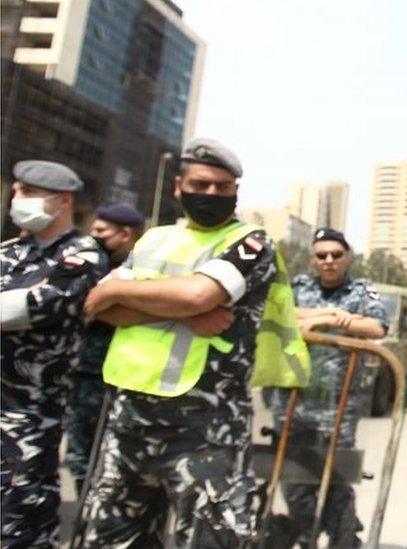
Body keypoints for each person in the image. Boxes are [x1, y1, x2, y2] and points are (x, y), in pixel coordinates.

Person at [80, 138, 300, 547]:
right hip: (130, 421)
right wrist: (176, 309)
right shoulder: (153, 240)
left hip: (204, 431)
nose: (211, 194)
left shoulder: (251, 243)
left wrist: (126, 293)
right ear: (178, 187)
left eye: (223, 187)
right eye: (201, 185)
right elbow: (99, 305)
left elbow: (200, 295)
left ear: (236, 192)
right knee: (110, 539)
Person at [0, 160, 109, 546]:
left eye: (27, 193)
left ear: (62, 201)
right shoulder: (11, 251)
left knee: (18, 525)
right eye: (16, 191)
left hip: (28, 416)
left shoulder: (83, 256)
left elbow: (40, 304)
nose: (17, 199)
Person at [265, 227, 388, 548]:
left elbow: (376, 325)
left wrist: (325, 323)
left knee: (336, 482)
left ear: (347, 257)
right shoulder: (299, 286)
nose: (329, 261)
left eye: (336, 255)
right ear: (313, 259)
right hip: (293, 402)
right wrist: (329, 314)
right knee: (294, 482)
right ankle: (306, 535)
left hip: (338, 405)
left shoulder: (362, 290)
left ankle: (345, 540)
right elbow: (278, 313)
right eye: (322, 255)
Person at [64, 203, 145, 493]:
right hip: (83, 371)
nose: (93, 236)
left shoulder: (143, 267)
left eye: (100, 231)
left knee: (116, 457)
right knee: (80, 453)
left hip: (122, 375)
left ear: (125, 234)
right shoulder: (89, 263)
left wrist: (113, 297)